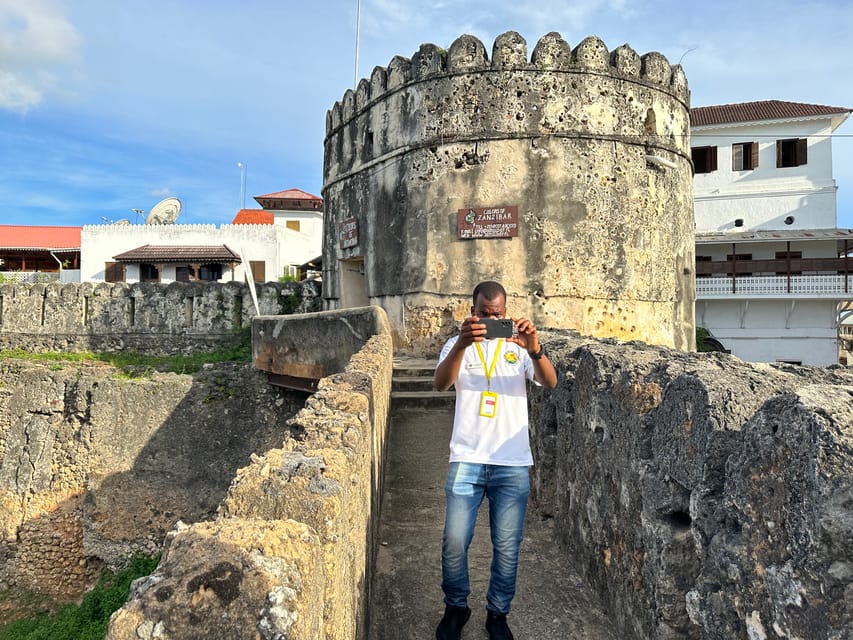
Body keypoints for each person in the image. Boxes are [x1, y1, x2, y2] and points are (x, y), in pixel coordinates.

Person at [433, 281, 558, 640]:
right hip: (467, 457)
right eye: (484, 315)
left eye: (497, 315)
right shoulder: (457, 345)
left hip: (512, 461)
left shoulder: (518, 348)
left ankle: (498, 614)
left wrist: (535, 350)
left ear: (506, 312)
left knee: (507, 545)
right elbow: (441, 384)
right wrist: (461, 343)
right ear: (472, 312)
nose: (490, 320)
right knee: (455, 541)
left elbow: (550, 382)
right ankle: (456, 607)